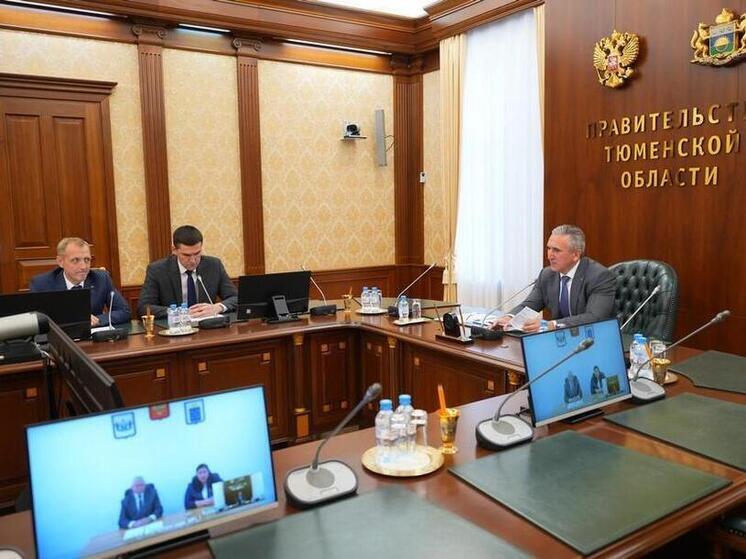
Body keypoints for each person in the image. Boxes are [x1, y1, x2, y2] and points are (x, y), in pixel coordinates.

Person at [492, 224, 615, 332]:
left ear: (576, 255)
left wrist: (552, 325)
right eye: (548, 248)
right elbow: (529, 305)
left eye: (556, 250)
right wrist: (510, 317)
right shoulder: (547, 275)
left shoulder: (599, 276)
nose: (550, 255)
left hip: (593, 338)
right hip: (559, 339)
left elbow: (594, 317)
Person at [137, 225, 238, 319]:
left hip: (207, 327)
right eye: (187, 255)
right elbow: (144, 307)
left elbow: (236, 297)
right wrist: (180, 312)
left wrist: (218, 307)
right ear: (174, 250)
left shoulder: (214, 265)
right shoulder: (158, 270)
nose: (193, 260)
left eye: (197, 253)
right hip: (175, 327)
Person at [29, 237, 131, 326]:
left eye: (87, 260)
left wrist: (98, 320)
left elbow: (124, 311)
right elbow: (36, 320)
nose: (83, 267)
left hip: (93, 338)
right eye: (75, 260)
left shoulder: (101, 279)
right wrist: (76, 320)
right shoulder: (41, 283)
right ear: (60, 262)